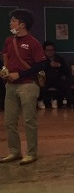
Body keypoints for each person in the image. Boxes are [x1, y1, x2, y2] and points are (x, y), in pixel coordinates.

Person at [0, 9, 46, 165]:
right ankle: (14, 151)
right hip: (11, 85)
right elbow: (6, 59)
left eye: (13, 20)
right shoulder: (8, 41)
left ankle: (31, 153)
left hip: (28, 85)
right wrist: (5, 71)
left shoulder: (33, 43)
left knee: (29, 120)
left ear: (22, 25)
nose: (10, 23)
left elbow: (41, 64)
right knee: (9, 121)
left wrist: (19, 74)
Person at [38, 41, 72, 109]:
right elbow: (39, 70)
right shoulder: (41, 60)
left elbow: (66, 71)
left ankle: (57, 100)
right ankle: (41, 100)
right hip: (45, 80)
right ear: (44, 51)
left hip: (58, 80)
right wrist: (49, 65)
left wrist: (59, 65)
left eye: (52, 50)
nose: (50, 52)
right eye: (48, 50)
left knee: (64, 83)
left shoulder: (60, 59)